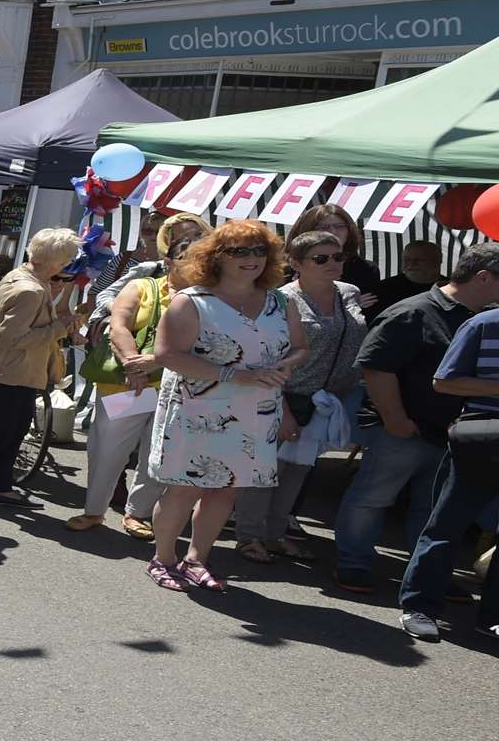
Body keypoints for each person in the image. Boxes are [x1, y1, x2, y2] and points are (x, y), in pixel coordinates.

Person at [144, 220, 305, 593]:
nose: (251, 259)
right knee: (184, 489)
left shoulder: (282, 301)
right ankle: (163, 557)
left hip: (254, 411)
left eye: (258, 251)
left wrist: (283, 366)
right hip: (196, 409)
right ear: (217, 257)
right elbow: (167, 355)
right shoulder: (193, 301)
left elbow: (300, 347)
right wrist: (236, 376)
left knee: (226, 490)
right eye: (239, 251)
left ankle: (197, 558)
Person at [330, 245, 499, 594]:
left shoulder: (475, 315)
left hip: (447, 434)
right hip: (403, 430)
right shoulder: (414, 311)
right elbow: (376, 368)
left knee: (431, 508)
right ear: (483, 277)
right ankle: (353, 564)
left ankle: (425, 575)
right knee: (373, 497)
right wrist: (396, 420)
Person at [232, 231, 367, 563]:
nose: (333, 264)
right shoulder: (278, 299)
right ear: (295, 263)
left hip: (323, 400)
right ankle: (249, 536)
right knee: (264, 470)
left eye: (338, 257)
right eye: (321, 258)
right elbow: (265, 358)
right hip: (280, 394)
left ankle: (274, 533)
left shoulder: (349, 293)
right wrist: (284, 410)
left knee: (297, 471)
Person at [66, 216, 203, 536]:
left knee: (158, 452)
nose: (193, 261)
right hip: (127, 384)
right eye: (185, 250)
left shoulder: (211, 297)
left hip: (179, 387)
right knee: (107, 449)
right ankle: (94, 510)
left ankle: (137, 513)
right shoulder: (142, 280)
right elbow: (117, 320)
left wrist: (154, 364)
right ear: (168, 255)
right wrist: (133, 364)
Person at [0, 229, 83, 511]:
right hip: (11, 371)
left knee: (15, 429)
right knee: (0, 432)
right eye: (67, 258)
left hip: (13, 370)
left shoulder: (24, 277)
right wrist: (59, 328)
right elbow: (11, 339)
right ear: (56, 260)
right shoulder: (31, 289)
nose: (68, 264)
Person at [397, 302, 499, 641]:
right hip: (482, 439)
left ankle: (492, 618)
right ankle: (419, 607)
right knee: (446, 525)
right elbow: (445, 380)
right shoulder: (483, 324)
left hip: (481, 439)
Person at [288, 203, 380, 300]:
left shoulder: (365, 270)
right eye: (323, 227)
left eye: (339, 226)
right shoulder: (285, 269)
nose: (333, 231)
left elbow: (371, 308)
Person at [368, 240, 442, 315]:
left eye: (419, 260)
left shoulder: (447, 288)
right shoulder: (384, 289)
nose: (411, 264)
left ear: (437, 261)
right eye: (407, 259)